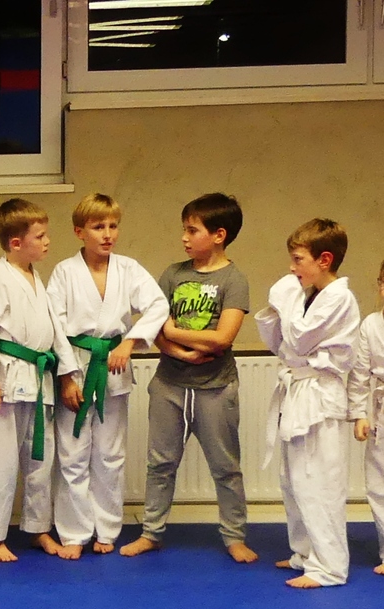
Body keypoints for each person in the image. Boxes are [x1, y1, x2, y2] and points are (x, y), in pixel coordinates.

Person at [120, 193, 256, 562]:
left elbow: (223, 338)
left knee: (225, 467)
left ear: (219, 235)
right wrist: (179, 349)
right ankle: (151, 532)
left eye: (192, 230)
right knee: (160, 463)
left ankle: (234, 536)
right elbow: (153, 325)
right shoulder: (173, 274)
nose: (184, 237)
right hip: (169, 384)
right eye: (184, 229)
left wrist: (173, 331)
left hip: (216, 388)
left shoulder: (234, 279)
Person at [46, 193, 168, 560]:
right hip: (76, 365)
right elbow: (54, 325)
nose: (108, 234)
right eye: (99, 226)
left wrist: (130, 341)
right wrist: (66, 377)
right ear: (79, 232)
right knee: (72, 454)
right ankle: (74, 531)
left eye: (113, 226)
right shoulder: (64, 272)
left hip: (114, 367)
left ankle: (107, 528)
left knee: (110, 455)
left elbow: (158, 305)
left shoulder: (129, 269)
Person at [0, 198, 76, 562]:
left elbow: (55, 331)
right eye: (40, 236)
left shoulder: (35, 277)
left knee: (40, 460)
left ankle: (37, 528)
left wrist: (67, 373)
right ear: (16, 242)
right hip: (7, 379)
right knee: (1, 461)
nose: (47, 242)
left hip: (39, 378)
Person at [256, 218, 360, 588]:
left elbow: (299, 339)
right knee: (293, 481)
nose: (292, 268)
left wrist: (285, 296)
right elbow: (280, 344)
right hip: (298, 391)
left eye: (299, 260)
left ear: (324, 259)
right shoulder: (308, 296)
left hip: (319, 395)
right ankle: (305, 553)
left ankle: (329, 567)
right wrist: (283, 304)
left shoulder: (340, 298)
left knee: (319, 482)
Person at [349, 259, 384, 576]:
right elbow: (359, 373)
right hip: (380, 409)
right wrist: (360, 414)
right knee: (378, 484)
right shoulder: (371, 324)